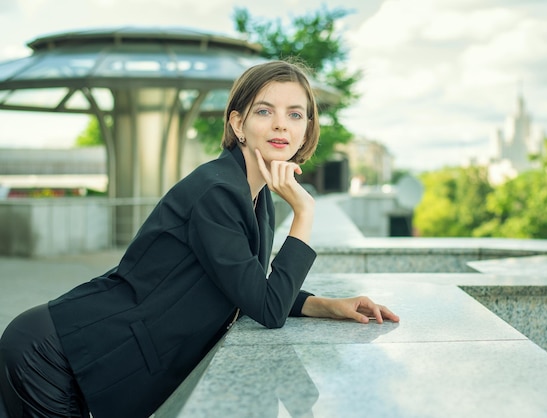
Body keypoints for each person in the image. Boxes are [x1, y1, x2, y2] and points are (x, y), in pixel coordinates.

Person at [0, 60, 399, 418]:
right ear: (238, 124)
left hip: (80, 350)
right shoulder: (218, 191)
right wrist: (306, 212)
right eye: (265, 111)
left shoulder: (255, 196)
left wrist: (329, 305)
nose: (282, 124)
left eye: (295, 114)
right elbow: (268, 308)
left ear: (306, 129)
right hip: (53, 352)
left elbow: (247, 286)